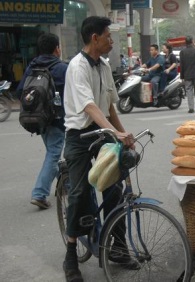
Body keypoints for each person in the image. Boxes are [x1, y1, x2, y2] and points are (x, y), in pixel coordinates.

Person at [62, 16, 135, 282]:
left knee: (113, 188)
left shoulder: (103, 66)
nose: (111, 42)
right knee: (80, 192)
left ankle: (117, 246)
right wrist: (113, 132)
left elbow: (109, 105)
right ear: (95, 38)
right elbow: (90, 107)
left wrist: (123, 135)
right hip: (79, 136)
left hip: (102, 131)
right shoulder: (77, 67)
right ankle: (71, 254)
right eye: (108, 36)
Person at [16, 33, 68, 209]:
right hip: (58, 119)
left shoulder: (32, 66)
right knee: (54, 154)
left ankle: (66, 185)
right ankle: (39, 193)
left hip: (39, 120)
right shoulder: (62, 68)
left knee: (53, 154)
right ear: (56, 49)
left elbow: (20, 92)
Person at [179, 36, 195, 113]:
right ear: (192, 41)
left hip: (187, 74)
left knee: (189, 91)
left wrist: (182, 76)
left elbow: (181, 65)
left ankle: (191, 107)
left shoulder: (182, 52)